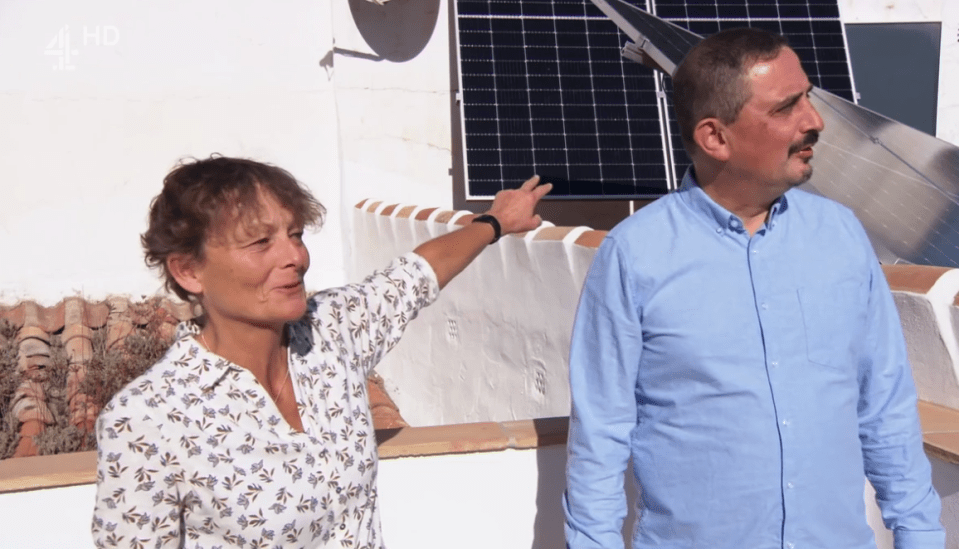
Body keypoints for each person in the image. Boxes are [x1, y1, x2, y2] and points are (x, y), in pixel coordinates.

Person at [563, 28, 944, 549]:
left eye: (808, 97)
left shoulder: (841, 236)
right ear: (715, 137)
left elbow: (884, 405)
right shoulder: (635, 255)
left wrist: (919, 537)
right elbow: (600, 436)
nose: (816, 121)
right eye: (787, 107)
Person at [91, 155, 551, 548]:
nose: (295, 257)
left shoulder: (333, 331)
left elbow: (418, 274)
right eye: (260, 242)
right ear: (189, 270)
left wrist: (494, 223)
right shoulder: (149, 419)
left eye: (295, 234)